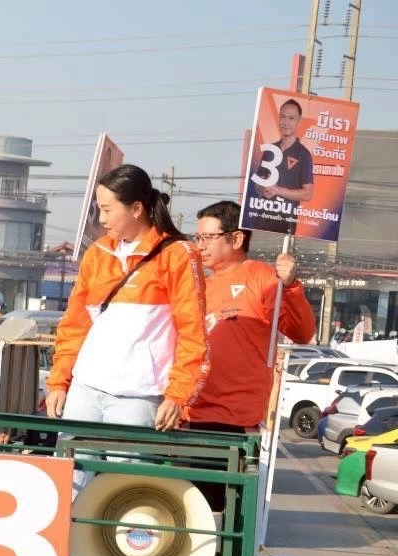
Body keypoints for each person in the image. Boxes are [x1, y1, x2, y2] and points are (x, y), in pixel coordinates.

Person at [45, 164, 209, 432]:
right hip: (84, 388)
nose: (101, 219)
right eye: (99, 209)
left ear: (136, 209)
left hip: (139, 396)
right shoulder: (97, 253)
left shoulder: (177, 254)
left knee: (127, 462)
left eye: (107, 210)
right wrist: (58, 382)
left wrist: (177, 396)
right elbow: (74, 325)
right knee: (71, 460)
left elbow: (193, 333)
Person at [185, 200, 316, 434]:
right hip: (188, 413)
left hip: (235, 419)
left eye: (208, 238)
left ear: (236, 239)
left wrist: (290, 286)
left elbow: (302, 334)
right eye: (198, 238)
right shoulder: (198, 285)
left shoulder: (261, 277)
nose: (200, 246)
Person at [245, 98, 315, 235]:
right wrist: (263, 188)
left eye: (291, 118)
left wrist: (277, 190)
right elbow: (258, 182)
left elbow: (308, 194)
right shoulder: (270, 149)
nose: (286, 122)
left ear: (299, 121)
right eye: (283, 117)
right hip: (263, 216)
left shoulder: (303, 154)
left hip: (286, 220)